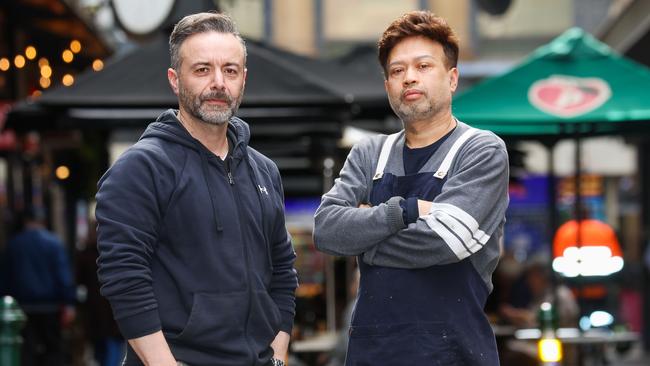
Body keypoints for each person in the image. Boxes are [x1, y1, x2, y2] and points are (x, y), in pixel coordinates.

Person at [95, 12, 298, 366]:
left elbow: (283, 272)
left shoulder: (264, 171)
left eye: (230, 70)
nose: (218, 83)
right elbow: (124, 279)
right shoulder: (141, 168)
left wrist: (278, 355)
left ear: (243, 79)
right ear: (175, 80)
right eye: (202, 70)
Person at [313, 11, 509, 365]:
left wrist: (364, 238)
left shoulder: (481, 150)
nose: (409, 78)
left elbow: (448, 239)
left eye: (423, 66)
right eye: (397, 70)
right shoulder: (370, 153)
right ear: (387, 84)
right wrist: (405, 211)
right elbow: (327, 230)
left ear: (452, 79)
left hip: (455, 354)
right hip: (371, 354)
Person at [0, 207, 76, 366]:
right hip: (50, 307)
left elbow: (5, 278)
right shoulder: (54, 243)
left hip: (23, 308)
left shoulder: (14, 244)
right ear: (43, 222)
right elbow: (63, 275)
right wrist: (69, 303)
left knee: (26, 351)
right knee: (53, 350)